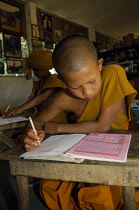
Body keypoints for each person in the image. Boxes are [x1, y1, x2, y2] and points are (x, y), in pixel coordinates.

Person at [23, 35, 137, 210]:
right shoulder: (62, 98)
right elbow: (36, 122)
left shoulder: (112, 74)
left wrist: (58, 128)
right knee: (49, 187)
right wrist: (32, 135)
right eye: (75, 87)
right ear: (62, 80)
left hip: (116, 148)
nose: (87, 92)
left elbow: (102, 126)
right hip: (81, 149)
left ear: (99, 66)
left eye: (92, 81)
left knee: (100, 193)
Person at [2, 49, 67, 124]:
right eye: (33, 70)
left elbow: (42, 97)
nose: (35, 72)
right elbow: (31, 101)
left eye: (38, 70)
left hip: (55, 118)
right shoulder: (37, 83)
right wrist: (14, 112)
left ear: (45, 67)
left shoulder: (55, 78)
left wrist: (20, 109)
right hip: (40, 118)